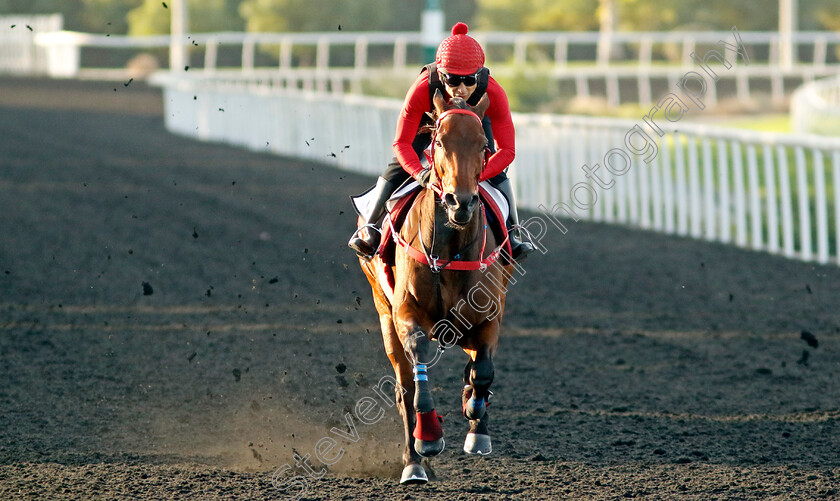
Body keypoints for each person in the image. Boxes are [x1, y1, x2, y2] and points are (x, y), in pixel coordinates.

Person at [349, 22, 534, 262]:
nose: (460, 89)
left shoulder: (494, 93)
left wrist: (475, 175)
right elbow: (401, 144)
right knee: (397, 168)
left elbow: (507, 151)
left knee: (500, 176)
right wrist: (421, 175)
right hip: (430, 123)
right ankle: (371, 230)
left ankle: (512, 235)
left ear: (479, 75)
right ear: (440, 74)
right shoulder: (422, 88)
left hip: (474, 121)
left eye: (469, 80)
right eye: (452, 80)